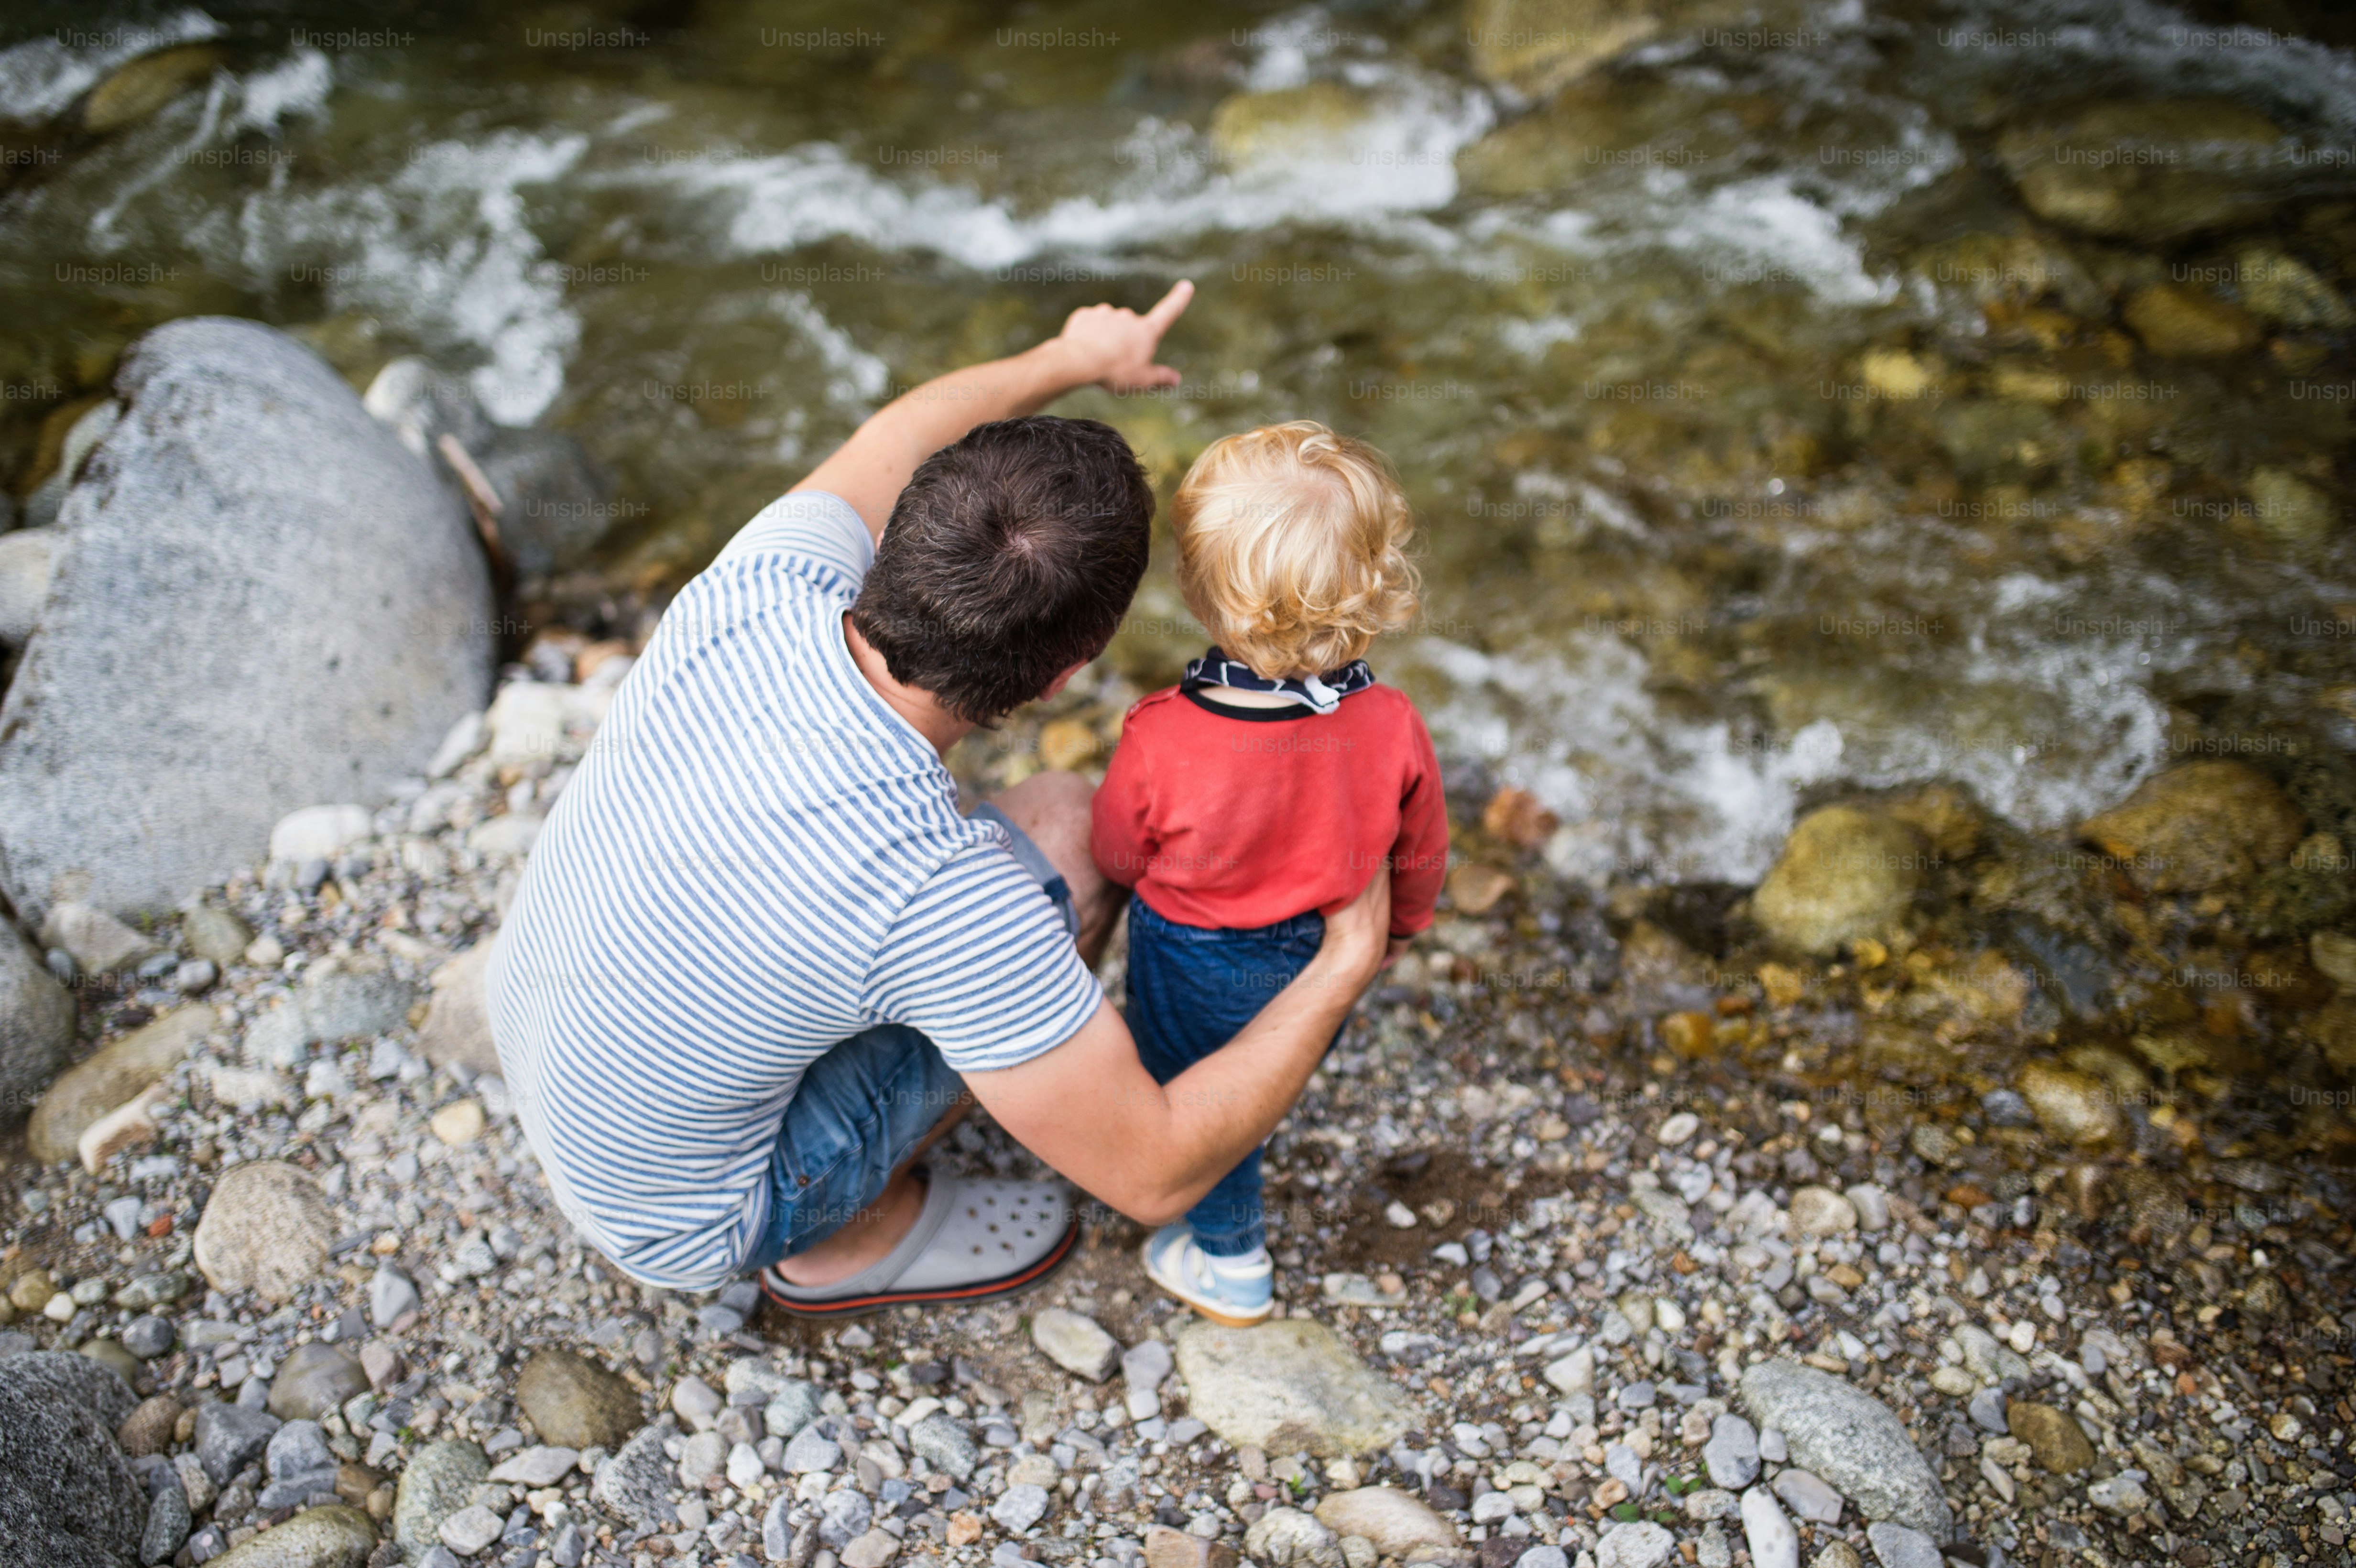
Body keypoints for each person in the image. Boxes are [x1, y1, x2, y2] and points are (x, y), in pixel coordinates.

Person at [486, 283, 1397, 1316]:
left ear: (909, 519)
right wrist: (1341, 966)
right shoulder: (938, 895)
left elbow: (908, 423)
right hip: (681, 1216)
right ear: (1063, 676)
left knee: (983, 879)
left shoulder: (760, 580)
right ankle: (848, 1242)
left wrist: (1071, 353)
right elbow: (1158, 1171)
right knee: (1069, 829)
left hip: (538, 1033)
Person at [1091, 422, 1448, 1324]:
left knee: (1205, 1105)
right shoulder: (1391, 721)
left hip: (1194, 952)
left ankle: (1230, 1260)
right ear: (1371, 588)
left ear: (1202, 594)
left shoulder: (1163, 732)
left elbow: (1116, 854)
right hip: (1319, 948)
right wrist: (1398, 932)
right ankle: (1228, 1211)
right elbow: (1422, 849)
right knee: (1263, 1079)